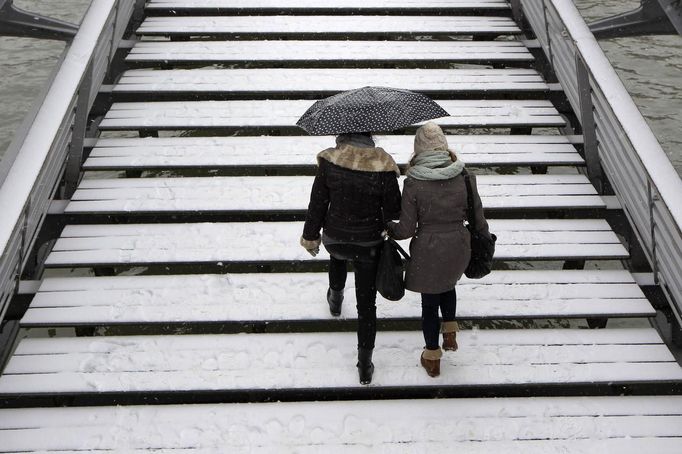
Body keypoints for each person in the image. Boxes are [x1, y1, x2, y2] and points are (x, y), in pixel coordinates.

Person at [387, 122, 490, 378]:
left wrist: (387, 227)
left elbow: (406, 230)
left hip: (428, 249)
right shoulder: (465, 177)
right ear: (444, 147)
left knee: (429, 302)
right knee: (449, 285)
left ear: (418, 150)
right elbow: (478, 217)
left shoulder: (413, 183)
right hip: (459, 245)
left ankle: (432, 357)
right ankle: (450, 333)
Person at [300, 132, 401, 385]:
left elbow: (317, 204)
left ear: (342, 136)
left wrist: (311, 236)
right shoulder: (383, 165)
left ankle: (335, 298)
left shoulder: (330, 162)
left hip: (336, 236)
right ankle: (365, 365)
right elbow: (394, 210)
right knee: (367, 306)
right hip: (369, 243)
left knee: (337, 255)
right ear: (370, 137)